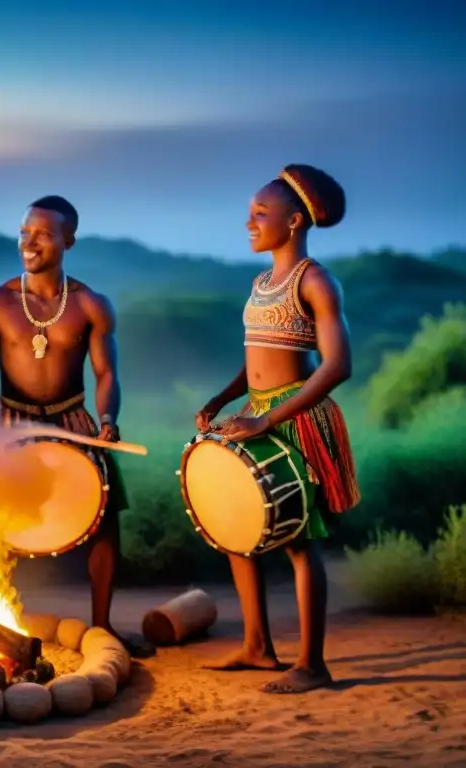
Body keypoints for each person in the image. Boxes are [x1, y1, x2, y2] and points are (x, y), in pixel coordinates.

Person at [0, 195, 154, 659]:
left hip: (74, 419)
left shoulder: (91, 304)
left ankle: (104, 627)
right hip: (11, 422)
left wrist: (107, 421)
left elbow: (106, 373)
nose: (29, 241)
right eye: (25, 231)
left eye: (44, 234)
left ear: (68, 240)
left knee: (105, 517)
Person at [196, 163, 360, 694]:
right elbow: (258, 358)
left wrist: (267, 417)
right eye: (249, 214)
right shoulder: (261, 281)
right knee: (236, 526)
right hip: (258, 409)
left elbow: (337, 365)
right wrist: (224, 398)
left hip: (297, 416)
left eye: (260, 215)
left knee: (298, 542)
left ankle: (312, 665)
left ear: (293, 222)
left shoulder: (315, 280)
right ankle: (257, 647)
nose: (249, 223)